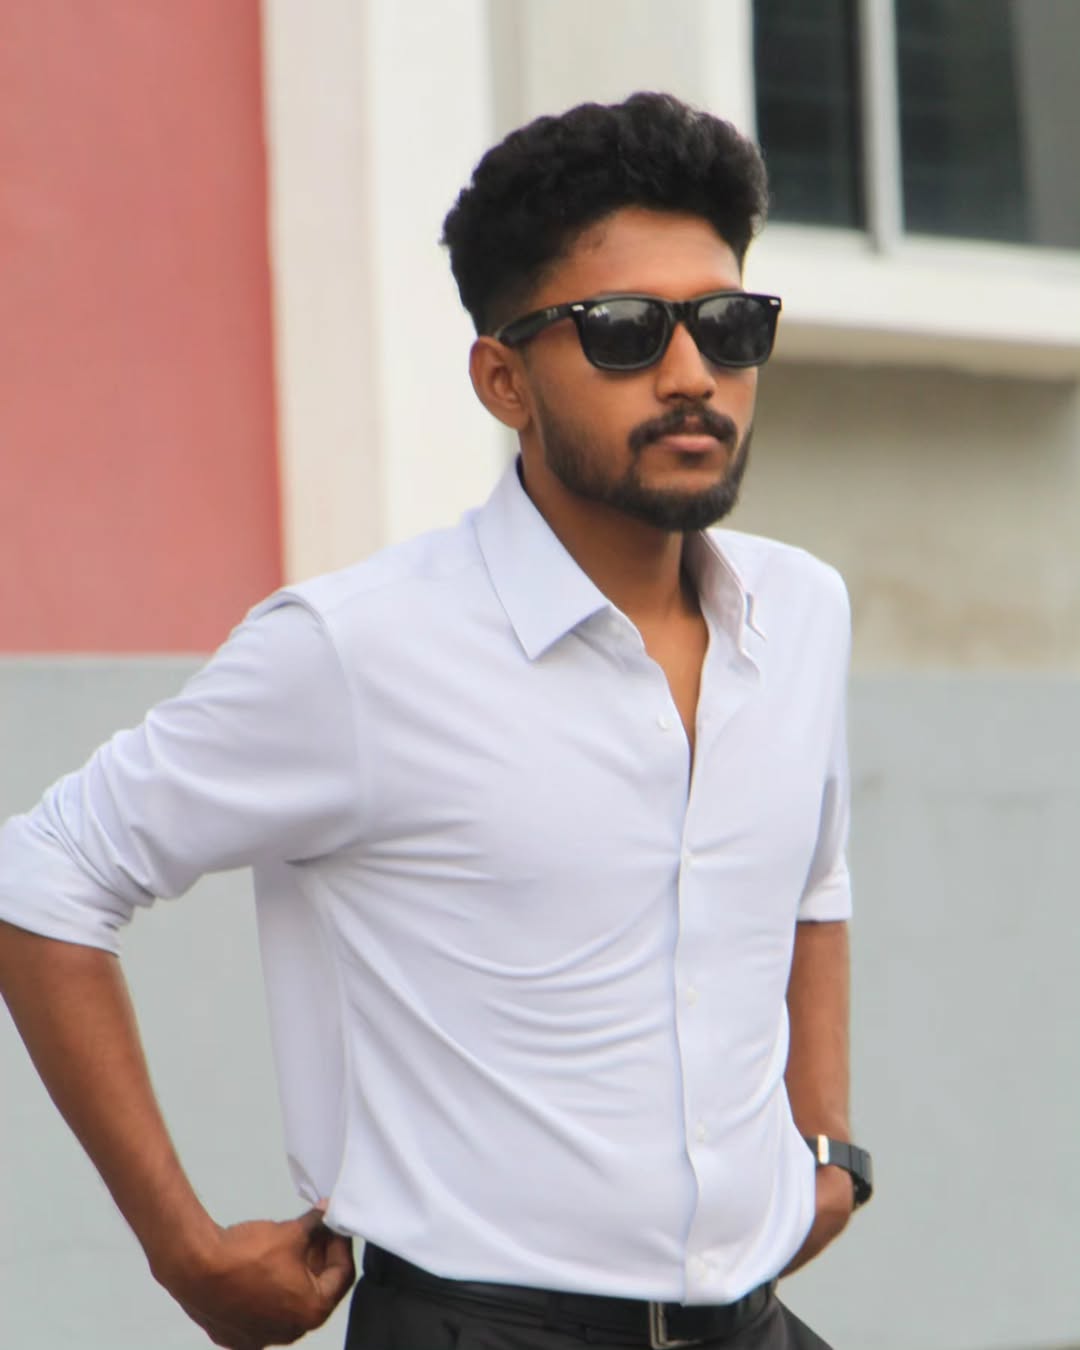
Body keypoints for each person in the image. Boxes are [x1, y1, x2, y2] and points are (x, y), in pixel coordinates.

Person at [0, 92, 872, 1350]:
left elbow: (812, 875)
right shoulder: (358, 652)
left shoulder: (803, 612)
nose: (694, 376)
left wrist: (825, 1141)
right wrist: (183, 1251)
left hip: (751, 1322)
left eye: (729, 326)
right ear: (503, 379)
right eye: (625, 331)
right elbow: (43, 877)